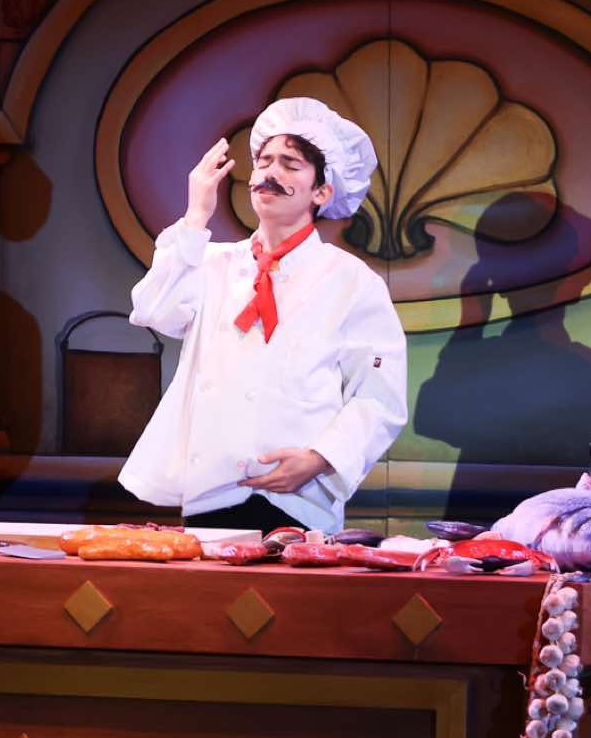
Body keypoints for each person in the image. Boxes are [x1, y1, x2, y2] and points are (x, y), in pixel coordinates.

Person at [117, 96, 407, 533]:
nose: (271, 173)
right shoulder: (210, 263)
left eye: (290, 164)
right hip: (210, 493)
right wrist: (195, 217)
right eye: (264, 162)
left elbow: (378, 397)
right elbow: (153, 309)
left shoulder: (351, 281)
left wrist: (319, 459)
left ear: (322, 192)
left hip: (300, 501)